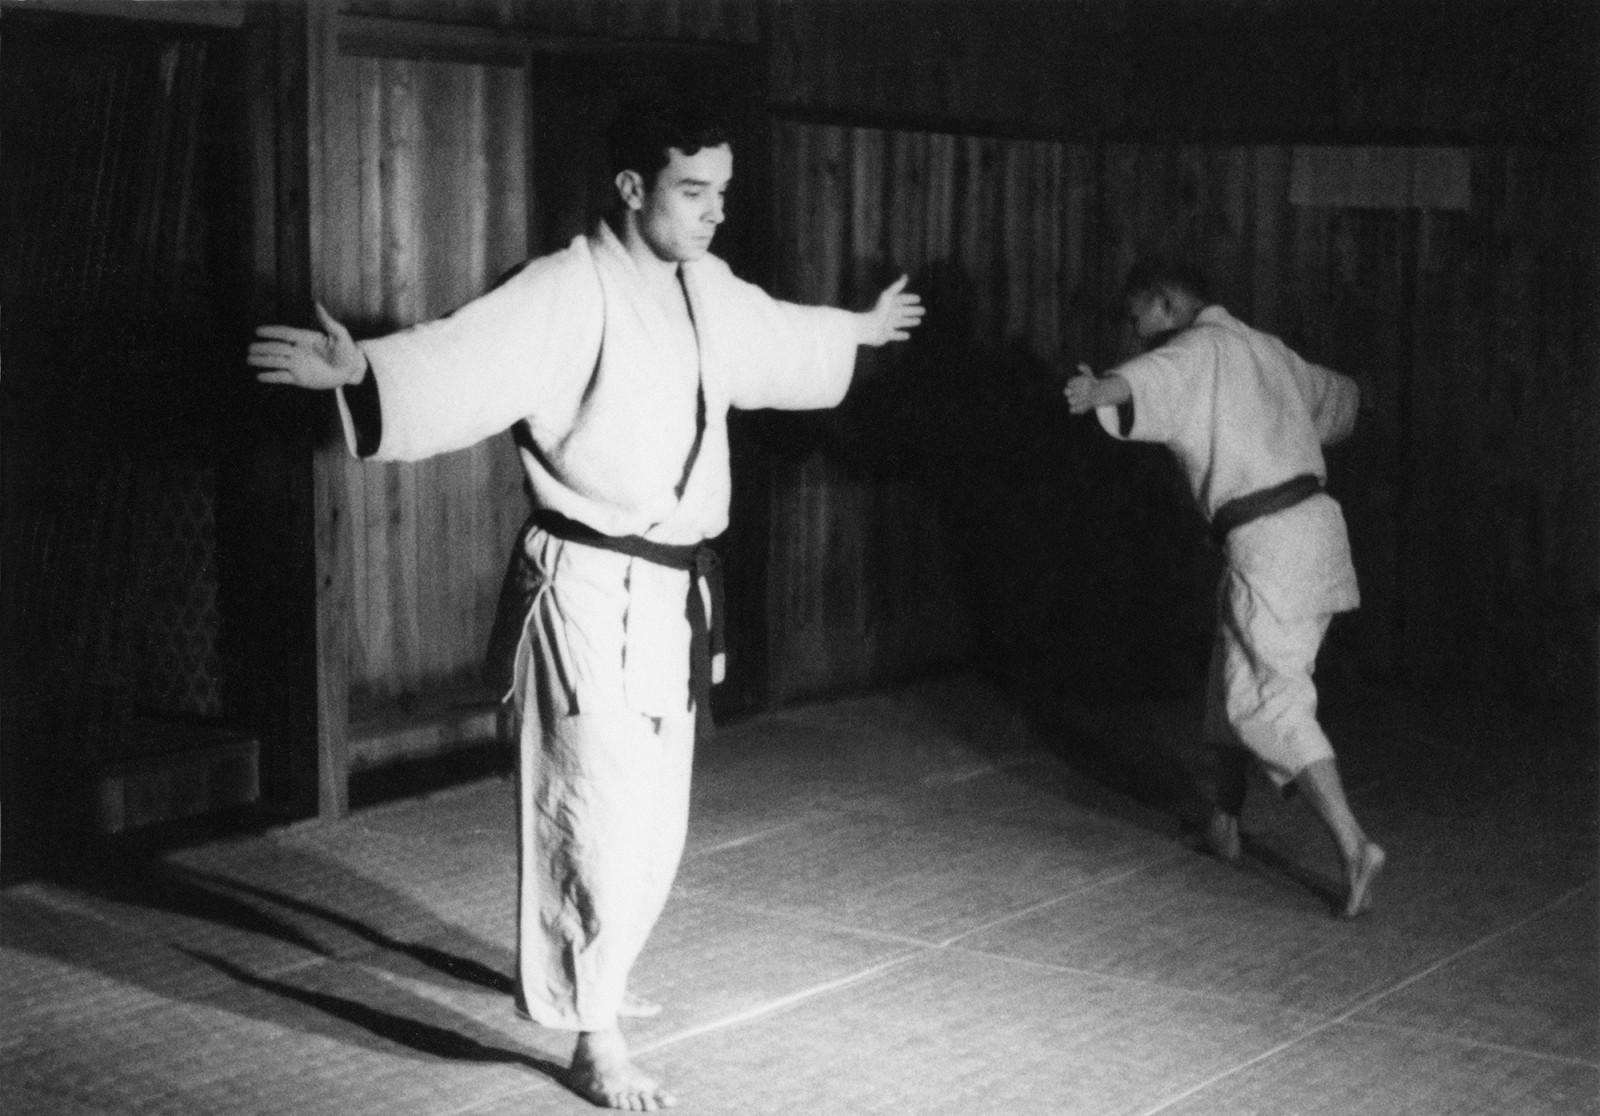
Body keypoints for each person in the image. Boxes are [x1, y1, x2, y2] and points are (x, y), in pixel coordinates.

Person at [247, 102, 923, 1111]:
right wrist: (366, 371)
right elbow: (463, 356)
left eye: (722, 194)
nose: (714, 214)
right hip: (585, 583)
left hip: (674, 587)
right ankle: (589, 1034)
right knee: (590, 805)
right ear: (632, 188)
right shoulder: (566, 289)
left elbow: (779, 337)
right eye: (694, 192)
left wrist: (858, 329)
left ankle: (597, 976)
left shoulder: (705, 287)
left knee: (656, 818)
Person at [1063, 260, 1385, 921]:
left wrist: (1103, 391)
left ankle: (1354, 846)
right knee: (1231, 682)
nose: (1134, 329)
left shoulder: (1198, 348)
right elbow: (1338, 398)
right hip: (1310, 534)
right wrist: (1366, 390)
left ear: (1165, 301)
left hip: (1272, 543)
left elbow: (1153, 378)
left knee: (1272, 703)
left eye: (1137, 315)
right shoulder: (1268, 349)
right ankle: (1225, 823)